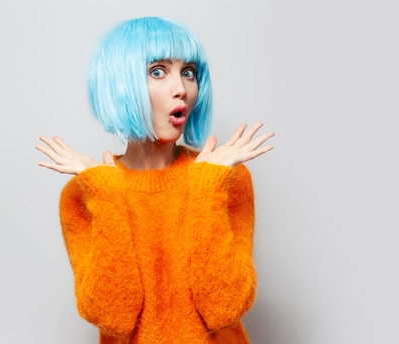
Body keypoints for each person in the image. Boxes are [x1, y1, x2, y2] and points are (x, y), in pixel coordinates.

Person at [35, 16, 273, 344]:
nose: (182, 89)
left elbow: (224, 309)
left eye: (188, 72)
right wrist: (107, 194)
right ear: (120, 84)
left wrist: (205, 187)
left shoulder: (224, 177)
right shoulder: (84, 194)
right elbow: (112, 317)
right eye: (157, 71)